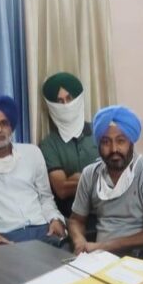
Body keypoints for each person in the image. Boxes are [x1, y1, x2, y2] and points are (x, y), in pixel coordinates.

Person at [0, 96, 66, 246]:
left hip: (42, 229)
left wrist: (55, 219)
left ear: (11, 127)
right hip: (3, 236)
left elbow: (46, 197)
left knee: (71, 258)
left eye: (4, 123)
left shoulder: (32, 152)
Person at [68, 105, 143, 255]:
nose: (114, 149)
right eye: (106, 142)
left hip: (138, 258)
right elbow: (76, 220)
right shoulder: (90, 174)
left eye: (121, 141)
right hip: (96, 257)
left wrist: (103, 246)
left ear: (131, 142)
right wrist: (79, 242)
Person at [38, 72, 99, 216]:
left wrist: (78, 177)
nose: (66, 106)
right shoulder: (49, 145)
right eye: (59, 101)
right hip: (75, 215)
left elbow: (119, 175)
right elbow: (62, 190)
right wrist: (99, 176)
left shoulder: (100, 131)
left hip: (110, 210)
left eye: (69, 98)